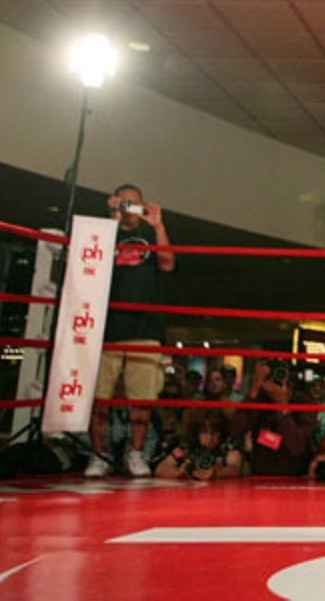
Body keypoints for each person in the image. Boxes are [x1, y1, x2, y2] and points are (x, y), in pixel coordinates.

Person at [84, 184, 175, 479]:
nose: (128, 208)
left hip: (145, 327)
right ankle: (98, 455)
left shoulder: (151, 233)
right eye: (123, 202)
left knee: (142, 400)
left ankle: (135, 454)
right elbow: (93, 261)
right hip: (108, 327)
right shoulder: (106, 232)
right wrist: (111, 217)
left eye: (133, 203)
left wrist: (158, 224)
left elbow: (167, 264)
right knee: (100, 400)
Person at [229, 360, 315, 476]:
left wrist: (283, 406)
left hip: (295, 475)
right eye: (270, 377)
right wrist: (254, 388)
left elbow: (297, 447)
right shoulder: (259, 399)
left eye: (282, 374)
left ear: (292, 381)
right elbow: (235, 432)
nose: (277, 379)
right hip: (260, 473)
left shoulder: (304, 402)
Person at [154, 409, 242, 480]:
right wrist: (179, 473)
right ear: (196, 432)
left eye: (214, 433)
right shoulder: (187, 448)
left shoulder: (227, 447)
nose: (210, 438)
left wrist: (217, 472)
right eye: (205, 433)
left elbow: (235, 468)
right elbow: (161, 468)